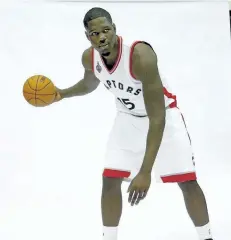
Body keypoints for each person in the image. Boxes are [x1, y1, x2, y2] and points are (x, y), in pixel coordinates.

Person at [53, 7, 213, 240]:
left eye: (106, 30)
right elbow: (89, 83)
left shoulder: (140, 57)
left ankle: (206, 236)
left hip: (164, 119)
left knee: (187, 182)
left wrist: (145, 172)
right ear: (88, 36)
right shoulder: (90, 57)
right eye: (95, 33)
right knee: (109, 179)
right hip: (127, 120)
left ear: (115, 29)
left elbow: (157, 117)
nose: (101, 37)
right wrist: (61, 94)